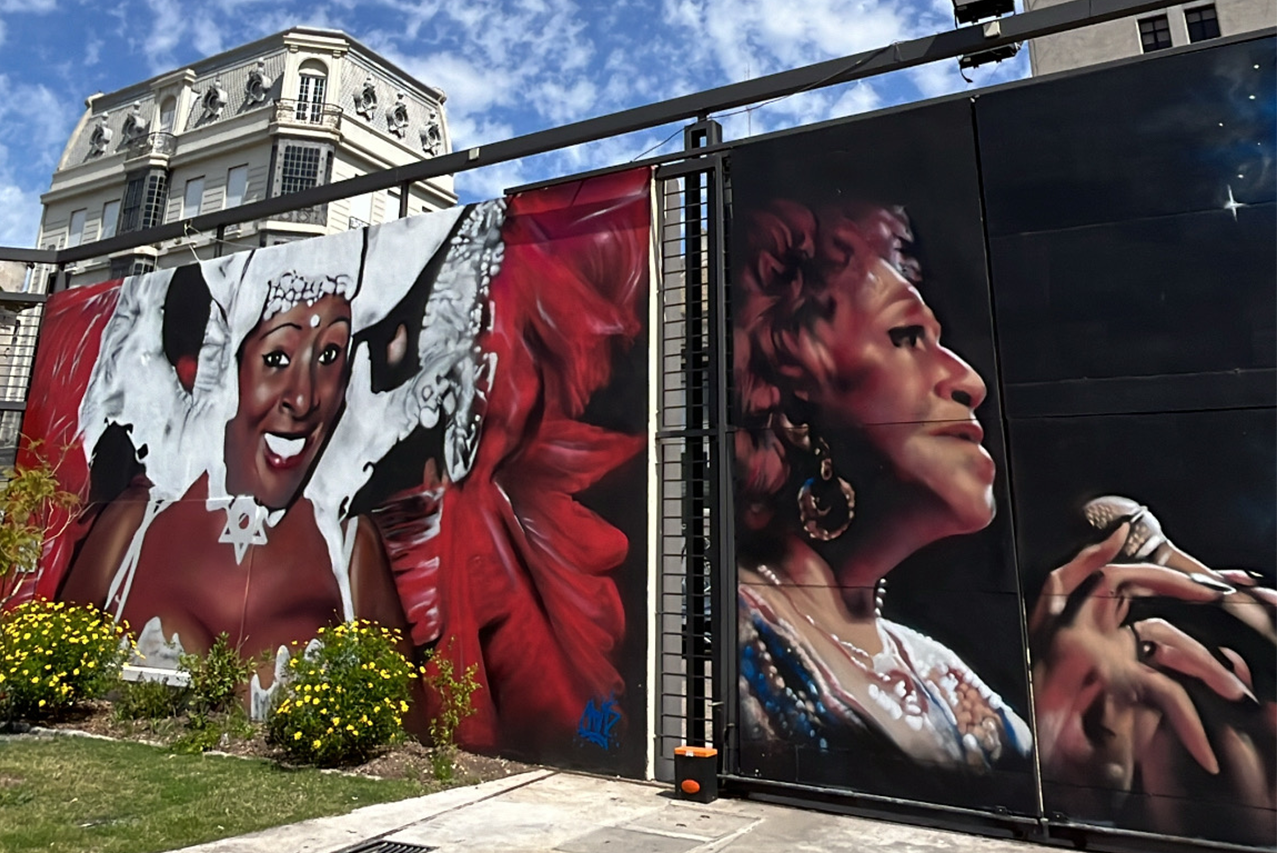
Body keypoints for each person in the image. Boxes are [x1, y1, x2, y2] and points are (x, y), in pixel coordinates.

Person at [733, 198, 1031, 774]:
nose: (968, 381)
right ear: (796, 396)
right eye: (906, 336)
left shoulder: (935, 669)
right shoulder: (732, 631)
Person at [56, 262, 415, 719]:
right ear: (227, 367)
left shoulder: (350, 555)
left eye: (328, 357)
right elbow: (53, 668)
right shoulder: (133, 527)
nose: (303, 399)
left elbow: (413, 735)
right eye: (277, 359)